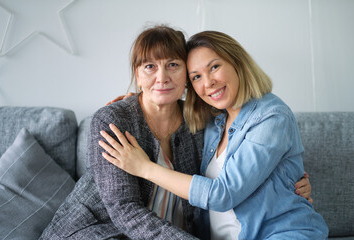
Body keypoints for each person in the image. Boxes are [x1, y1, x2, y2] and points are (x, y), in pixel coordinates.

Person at [99, 30, 328, 239]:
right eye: (196, 76)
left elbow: (222, 194)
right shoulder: (211, 119)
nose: (208, 82)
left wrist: (144, 168)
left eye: (214, 67)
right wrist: (140, 100)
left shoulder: (272, 117)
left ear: (237, 62)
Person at [40, 25, 203, 240]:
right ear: (137, 73)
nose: (162, 77)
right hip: (96, 231)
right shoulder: (113, 120)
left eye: (173, 65)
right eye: (150, 67)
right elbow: (125, 209)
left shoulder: (197, 120)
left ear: (187, 73)